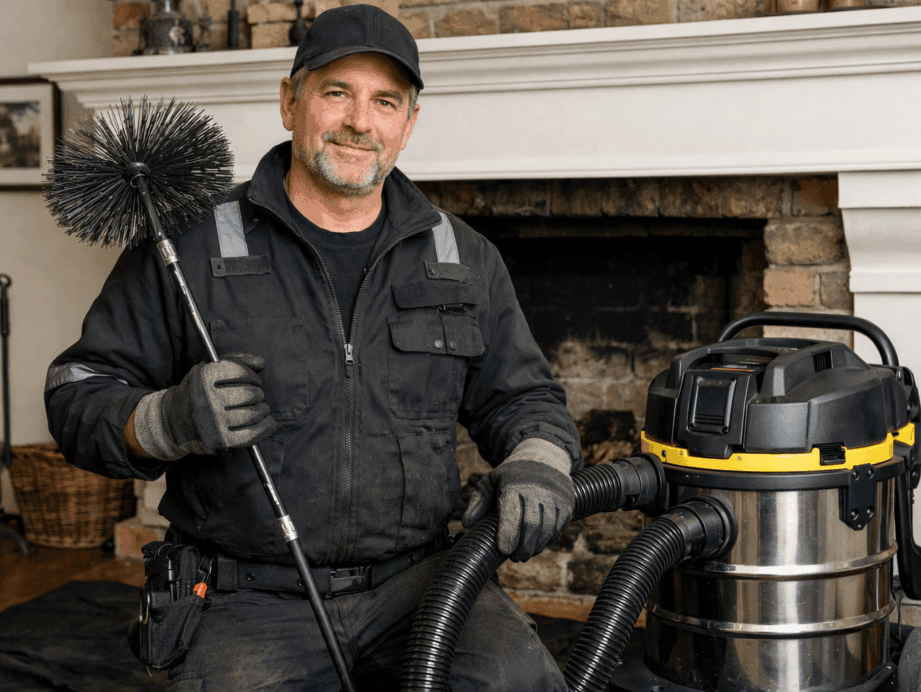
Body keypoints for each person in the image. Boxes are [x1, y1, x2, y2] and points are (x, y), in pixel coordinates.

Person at [44, 5, 582, 690]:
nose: (361, 120)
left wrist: (539, 460)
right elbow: (75, 391)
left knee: (520, 680)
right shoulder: (191, 244)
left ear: (407, 125)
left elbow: (523, 395)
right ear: (288, 101)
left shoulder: (460, 257)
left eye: (385, 101)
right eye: (337, 92)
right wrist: (165, 420)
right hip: (248, 598)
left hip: (420, 585)